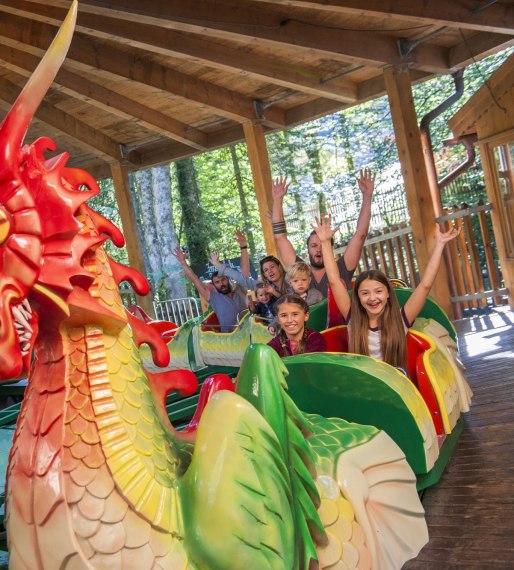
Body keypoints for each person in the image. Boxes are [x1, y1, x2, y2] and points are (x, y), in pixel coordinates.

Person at [311, 215, 460, 369]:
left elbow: (425, 285)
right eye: (365, 293)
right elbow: (335, 280)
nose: (372, 298)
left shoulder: (400, 319)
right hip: (366, 382)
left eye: (378, 291)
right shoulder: (353, 319)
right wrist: (325, 242)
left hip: (395, 382)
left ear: (388, 293)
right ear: (358, 298)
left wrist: (440, 245)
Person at [271, 169, 375, 297]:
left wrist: (367, 195)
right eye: (314, 246)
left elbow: (361, 234)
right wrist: (277, 200)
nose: (318, 250)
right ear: (308, 249)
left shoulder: (343, 267)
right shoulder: (298, 270)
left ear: (330, 247)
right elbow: (280, 237)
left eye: (322, 245)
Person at [172, 246, 247, 333]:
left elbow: (245, 270)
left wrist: (243, 246)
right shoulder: (213, 297)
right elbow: (195, 279)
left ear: (228, 279)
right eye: (217, 282)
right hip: (230, 337)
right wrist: (183, 262)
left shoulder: (240, 289)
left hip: (250, 331)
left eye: (223, 279)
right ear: (214, 285)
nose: (221, 284)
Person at [210, 231, 289, 300]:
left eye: (272, 267)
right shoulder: (264, 286)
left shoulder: (290, 280)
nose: (270, 271)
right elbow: (242, 279)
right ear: (264, 274)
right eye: (266, 270)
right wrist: (218, 265)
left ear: (279, 267)